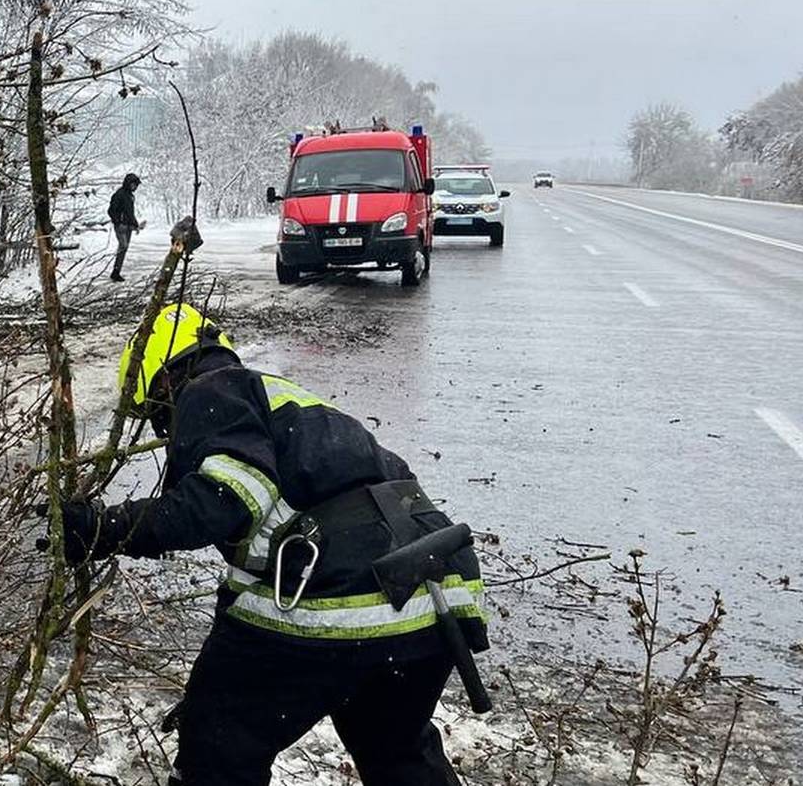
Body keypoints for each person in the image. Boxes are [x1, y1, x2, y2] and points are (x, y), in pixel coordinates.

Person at [55, 303, 487, 786]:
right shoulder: (286, 404)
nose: (164, 432)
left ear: (163, 383)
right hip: (432, 591)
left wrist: (101, 527)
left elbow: (226, 500)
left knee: (218, 752)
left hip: (343, 594)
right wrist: (221, 684)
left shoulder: (208, 391)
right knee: (395, 748)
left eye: (157, 416)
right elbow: (265, 557)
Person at [108, 172, 142, 282]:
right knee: (123, 246)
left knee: (124, 249)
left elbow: (130, 213)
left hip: (128, 226)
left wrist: (135, 224)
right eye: (134, 184)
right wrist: (117, 222)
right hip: (121, 226)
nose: (135, 187)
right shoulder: (119, 194)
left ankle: (116, 271)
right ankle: (116, 271)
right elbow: (111, 210)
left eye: (136, 185)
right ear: (129, 183)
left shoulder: (130, 196)